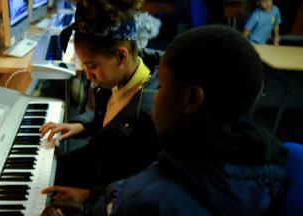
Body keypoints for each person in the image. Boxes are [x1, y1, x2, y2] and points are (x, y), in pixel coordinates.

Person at [42, 25, 288, 216]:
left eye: (162, 88)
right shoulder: (214, 152)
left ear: (192, 99)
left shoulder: (155, 202)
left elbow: (135, 198)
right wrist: (92, 199)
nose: (153, 97)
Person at [39, 0, 160, 189]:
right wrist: (82, 124)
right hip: (99, 160)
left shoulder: (148, 117)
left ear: (121, 56)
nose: (88, 76)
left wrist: (88, 199)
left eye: (92, 66)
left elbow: (136, 186)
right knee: (43, 174)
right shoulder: (122, 76)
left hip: (108, 188)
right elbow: (111, 117)